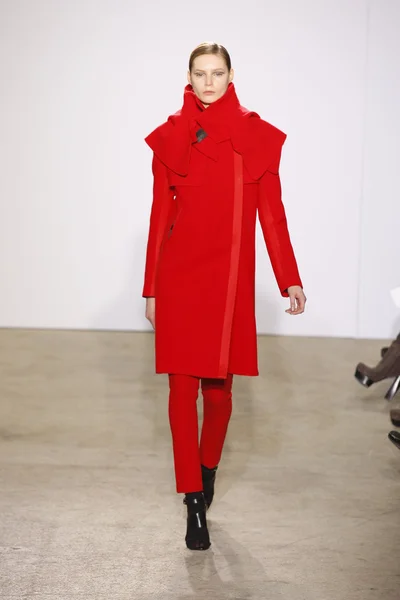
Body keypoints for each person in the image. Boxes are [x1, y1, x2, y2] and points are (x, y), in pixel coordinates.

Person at [142, 42, 306, 550]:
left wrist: (289, 278)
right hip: (179, 279)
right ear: (188, 78)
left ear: (231, 75)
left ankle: (207, 469)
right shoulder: (172, 138)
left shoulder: (254, 137)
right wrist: (151, 287)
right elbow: (159, 217)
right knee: (179, 392)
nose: (208, 82)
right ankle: (193, 500)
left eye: (216, 73)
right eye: (199, 74)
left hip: (230, 281)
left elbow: (271, 215)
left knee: (219, 395)